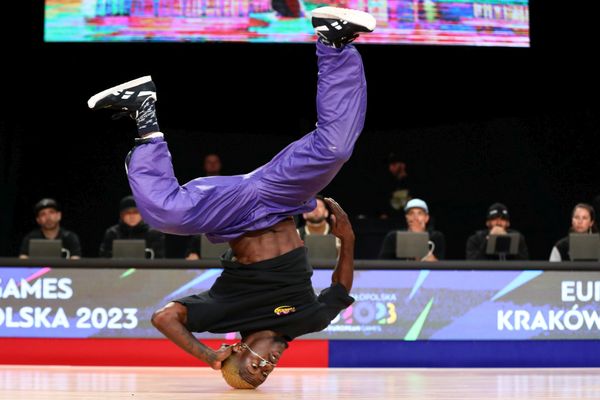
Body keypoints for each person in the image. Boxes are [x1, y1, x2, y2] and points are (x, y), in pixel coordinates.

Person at [88, 6, 375, 389]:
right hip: (281, 199)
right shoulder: (306, 320)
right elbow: (339, 291)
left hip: (237, 211)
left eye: (253, 367)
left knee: (163, 214)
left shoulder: (223, 314)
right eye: (267, 373)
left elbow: (163, 318)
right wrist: (348, 240)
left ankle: (143, 113)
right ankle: (333, 41)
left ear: (237, 351)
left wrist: (209, 356)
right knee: (336, 150)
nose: (266, 365)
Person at [99, 195, 166, 258]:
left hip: (146, 270)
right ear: (121, 215)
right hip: (117, 270)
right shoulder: (112, 233)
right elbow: (104, 258)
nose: (132, 216)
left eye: (136, 212)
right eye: (127, 213)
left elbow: (159, 259)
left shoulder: (154, 233)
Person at [378, 198, 445, 261]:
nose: (415, 217)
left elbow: (439, 268)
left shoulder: (436, 237)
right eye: (411, 213)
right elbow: (382, 265)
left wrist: (418, 236)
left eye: (420, 213)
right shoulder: (393, 237)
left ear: (426, 218)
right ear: (406, 217)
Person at [376, 152, 412, 221]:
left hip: (408, 221)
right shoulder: (387, 183)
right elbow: (383, 202)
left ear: (403, 165)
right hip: (392, 222)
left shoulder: (412, 182)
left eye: (394, 164)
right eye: (390, 165)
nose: (391, 168)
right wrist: (383, 214)